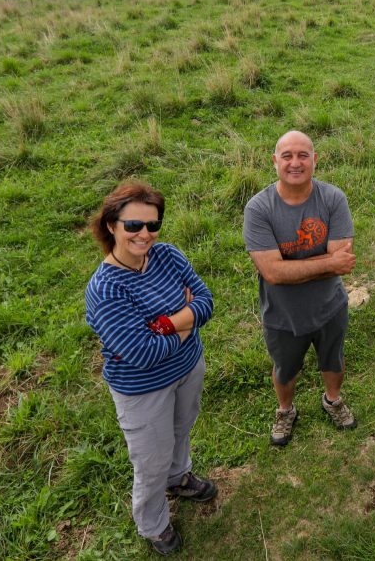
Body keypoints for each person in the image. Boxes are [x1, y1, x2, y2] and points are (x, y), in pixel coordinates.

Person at [85, 180, 217, 555]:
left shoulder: (168, 255)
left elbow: (206, 300)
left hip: (188, 368)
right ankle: (153, 523)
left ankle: (179, 479)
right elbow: (141, 354)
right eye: (133, 225)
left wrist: (164, 325)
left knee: (181, 429)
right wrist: (185, 323)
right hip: (143, 389)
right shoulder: (106, 289)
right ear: (111, 226)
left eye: (153, 225)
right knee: (150, 460)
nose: (145, 234)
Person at [243, 130, 358, 446]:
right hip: (282, 314)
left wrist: (289, 268)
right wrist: (326, 265)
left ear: (315, 159)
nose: (295, 163)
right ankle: (285, 410)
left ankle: (332, 399)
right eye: (287, 156)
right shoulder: (258, 208)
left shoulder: (333, 198)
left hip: (330, 307)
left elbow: (342, 260)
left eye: (303, 155)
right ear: (275, 161)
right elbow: (272, 273)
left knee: (333, 360)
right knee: (285, 369)